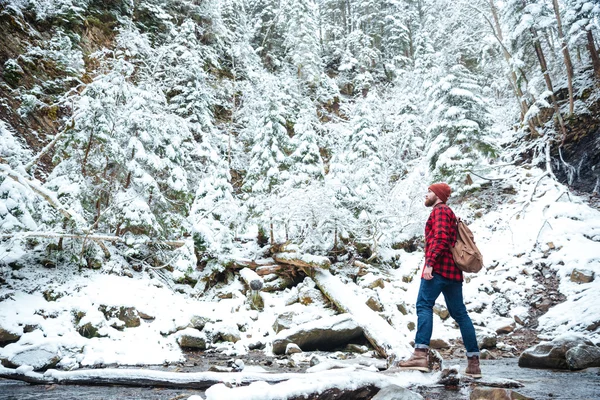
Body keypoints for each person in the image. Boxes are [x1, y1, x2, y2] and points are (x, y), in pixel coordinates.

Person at [398, 182, 481, 378]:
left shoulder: (440, 211)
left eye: (429, 192)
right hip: (453, 273)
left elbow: (442, 238)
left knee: (424, 305)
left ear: (437, 195)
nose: (425, 195)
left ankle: (420, 355)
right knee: (460, 314)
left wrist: (430, 263)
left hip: (439, 270)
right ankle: (474, 364)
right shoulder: (449, 213)